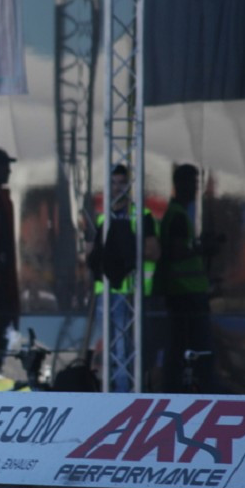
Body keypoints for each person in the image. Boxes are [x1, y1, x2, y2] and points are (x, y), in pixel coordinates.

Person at [88, 164, 160, 392]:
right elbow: (92, 255)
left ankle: (123, 396)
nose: (118, 188)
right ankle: (113, 393)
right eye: (114, 183)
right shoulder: (101, 219)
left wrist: (124, 249)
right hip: (105, 292)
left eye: (122, 183)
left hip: (132, 291)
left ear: (130, 186)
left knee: (125, 349)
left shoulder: (142, 215)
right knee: (109, 348)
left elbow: (154, 251)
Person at [157, 163, 212, 392]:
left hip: (186, 292)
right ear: (179, 185)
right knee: (187, 348)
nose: (195, 189)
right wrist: (201, 248)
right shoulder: (177, 216)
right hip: (185, 294)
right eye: (192, 183)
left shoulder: (178, 214)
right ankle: (182, 389)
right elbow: (176, 251)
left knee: (182, 348)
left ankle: (182, 386)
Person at [0, 149, 20, 369]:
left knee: (2, 326)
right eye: (4, 166)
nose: (8, 171)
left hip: (3, 279)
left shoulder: (3, 200)